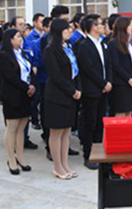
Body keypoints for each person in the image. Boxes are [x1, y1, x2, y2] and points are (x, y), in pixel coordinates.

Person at [43, 19, 82, 179]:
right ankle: (57, 167)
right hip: (57, 95)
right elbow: (56, 75)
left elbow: (74, 70)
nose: (70, 32)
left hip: (71, 93)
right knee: (57, 131)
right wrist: (71, 90)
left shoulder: (68, 48)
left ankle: (65, 164)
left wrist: (77, 88)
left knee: (66, 132)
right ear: (59, 31)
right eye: (67, 29)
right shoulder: (50, 50)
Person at [0, 29, 36, 175]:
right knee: (12, 127)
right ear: (10, 40)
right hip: (13, 95)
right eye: (18, 37)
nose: (21, 39)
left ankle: (20, 157)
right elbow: (10, 77)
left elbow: (31, 71)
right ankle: (11, 159)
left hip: (26, 95)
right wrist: (27, 87)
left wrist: (32, 85)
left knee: (22, 127)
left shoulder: (23, 53)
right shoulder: (4, 55)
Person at [77, 14, 113, 170]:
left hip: (104, 89)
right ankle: (88, 154)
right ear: (93, 27)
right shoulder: (84, 45)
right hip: (91, 89)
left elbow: (108, 65)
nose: (103, 26)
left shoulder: (103, 43)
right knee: (89, 122)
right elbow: (88, 69)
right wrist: (103, 82)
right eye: (100, 24)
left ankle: (99, 152)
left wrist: (109, 81)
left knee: (100, 122)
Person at [108, 17, 132, 117]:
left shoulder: (130, 42)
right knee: (121, 111)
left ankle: (128, 132)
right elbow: (116, 64)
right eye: (130, 25)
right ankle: (119, 133)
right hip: (121, 83)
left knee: (129, 111)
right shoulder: (114, 43)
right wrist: (128, 79)